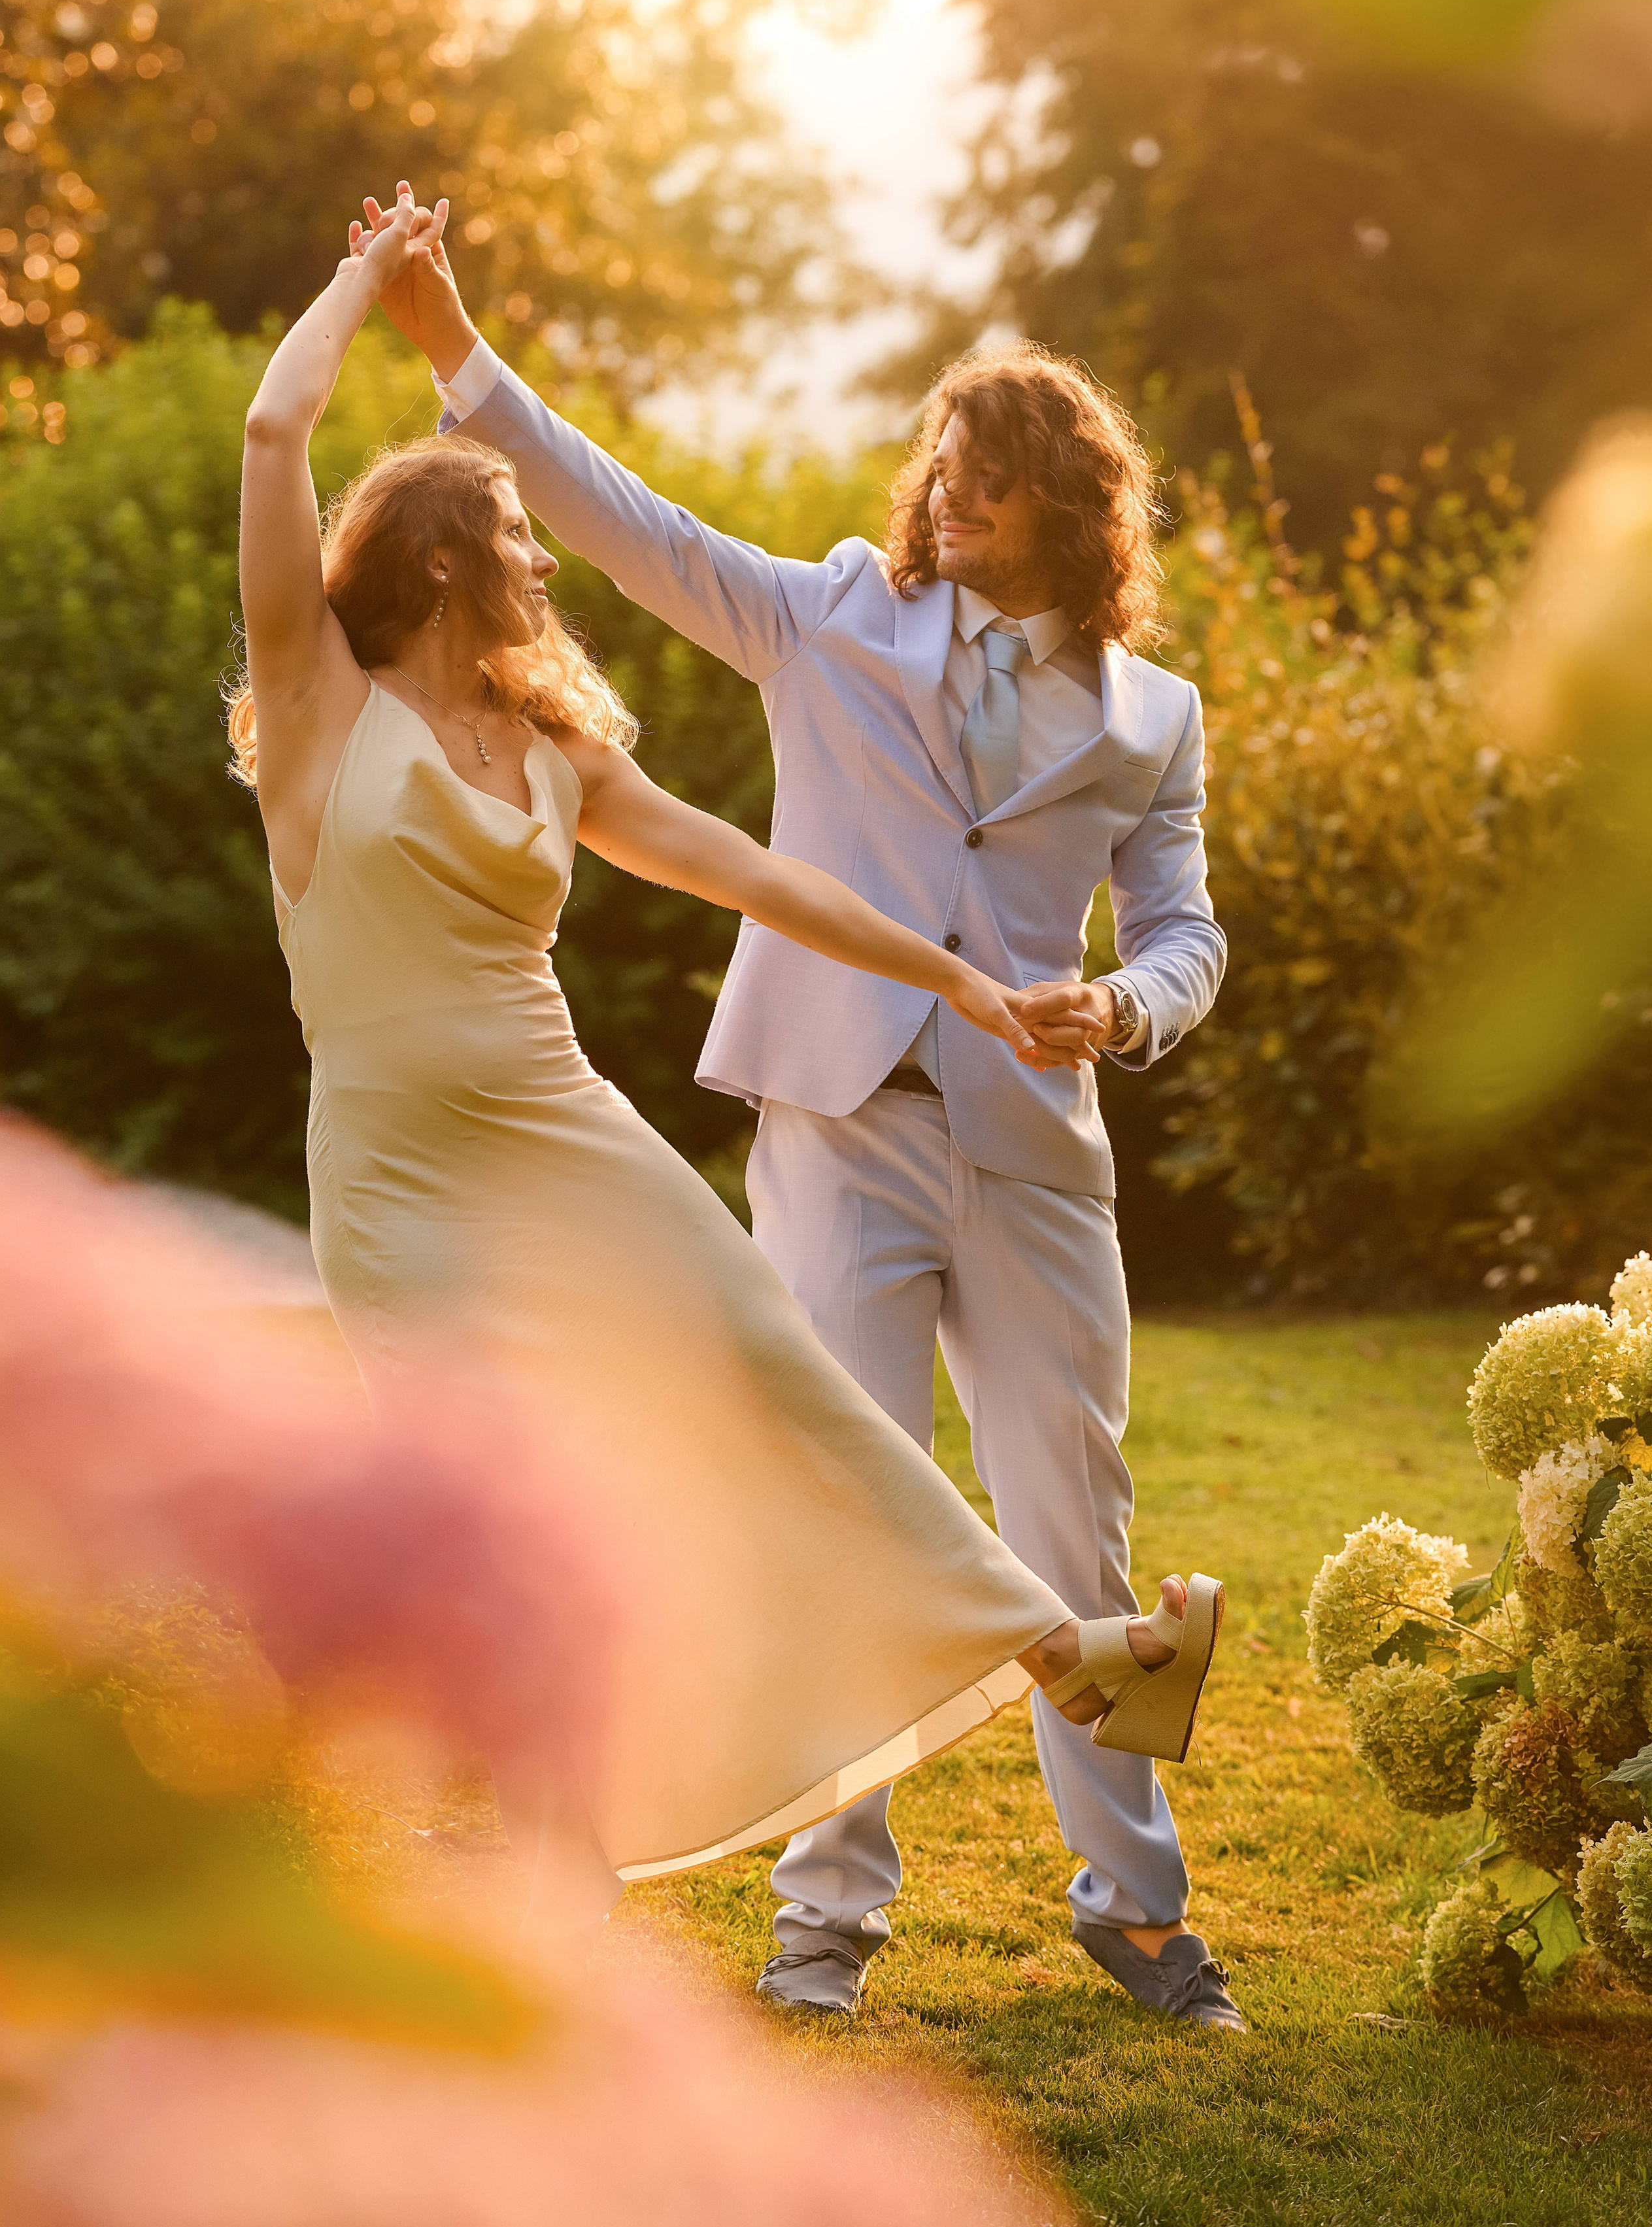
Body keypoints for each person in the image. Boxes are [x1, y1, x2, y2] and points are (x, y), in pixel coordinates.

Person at [231, 192, 1220, 1912]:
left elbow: (768, 873)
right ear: (452, 560)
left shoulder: (561, 752)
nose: (546, 569)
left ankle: (1090, 1704)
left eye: (988, 471)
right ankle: (658, 1884)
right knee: (527, 1499)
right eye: (520, 546)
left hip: (647, 1133)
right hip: (467, 1168)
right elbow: (339, 440)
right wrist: (395, 299)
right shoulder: (336, 706)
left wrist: (1011, 990)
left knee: (799, 1389)